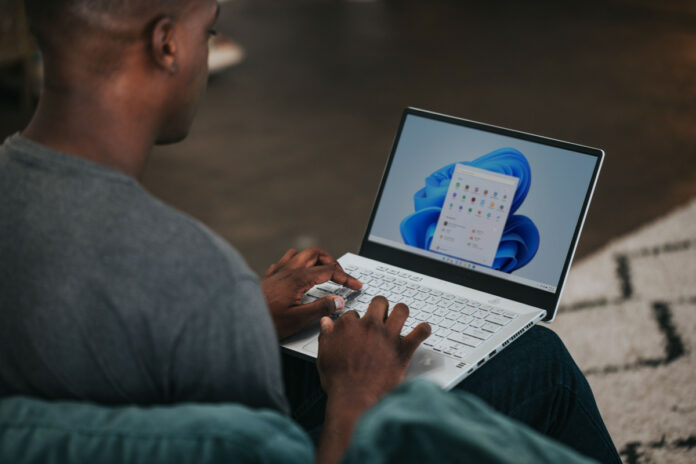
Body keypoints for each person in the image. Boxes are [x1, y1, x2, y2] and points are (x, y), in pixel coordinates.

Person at [0, 0, 621, 462]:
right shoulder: (191, 274)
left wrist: (247, 313)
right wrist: (358, 394)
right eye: (208, 30)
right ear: (167, 44)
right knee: (539, 362)